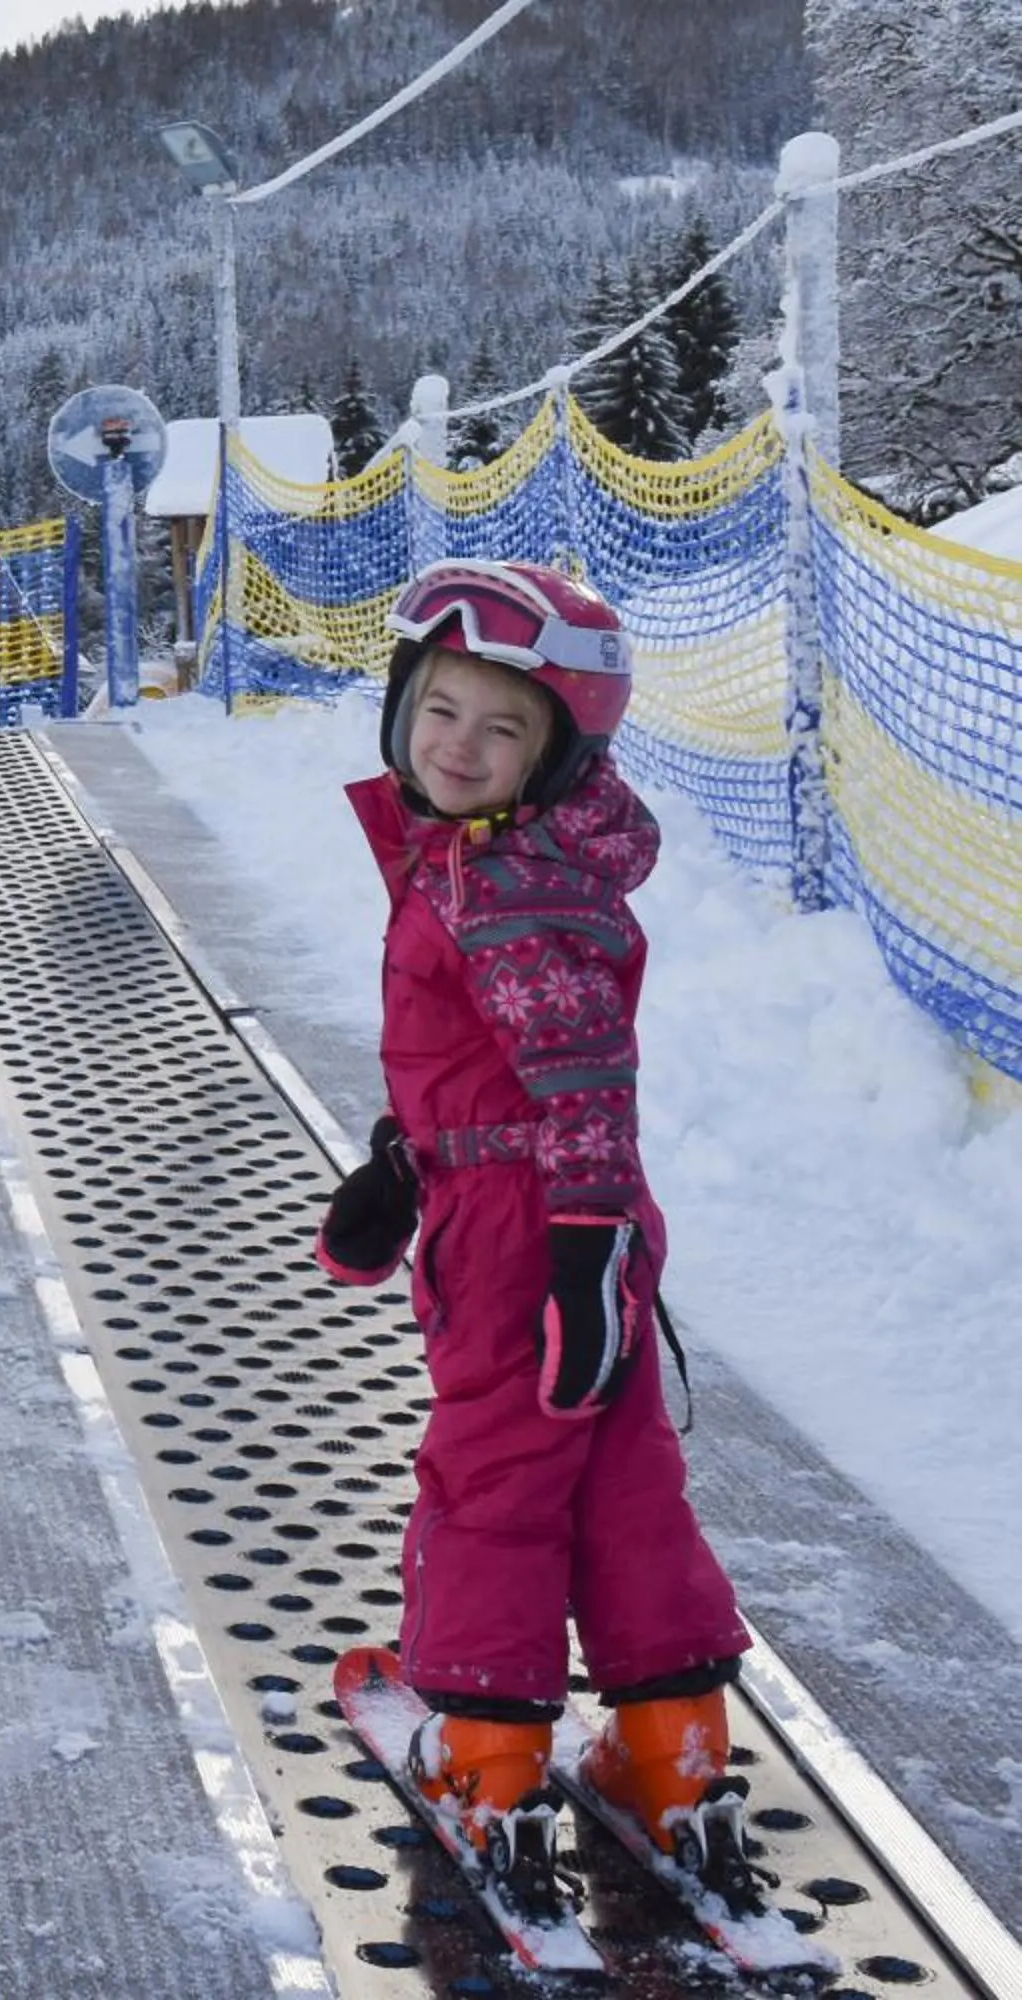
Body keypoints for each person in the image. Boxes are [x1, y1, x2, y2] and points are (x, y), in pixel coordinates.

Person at [314, 558, 754, 1909]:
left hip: (533, 1233)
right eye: (441, 709)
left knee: (492, 1478)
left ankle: (491, 1757)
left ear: (554, 759)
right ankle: (672, 1750)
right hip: (564, 1212)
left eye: (502, 729)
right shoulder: (506, 861)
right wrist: (405, 1158)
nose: (459, 745)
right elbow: (505, 1068)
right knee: (621, 1475)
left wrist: (573, 1244)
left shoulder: (500, 885)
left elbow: (579, 1078)